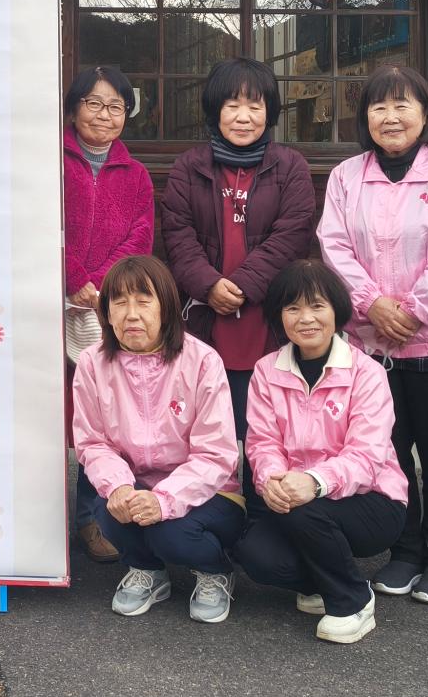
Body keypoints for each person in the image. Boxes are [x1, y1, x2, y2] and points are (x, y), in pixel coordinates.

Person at [317, 65, 428, 608]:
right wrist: (371, 305)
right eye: (378, 108)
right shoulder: (347, 177)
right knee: (387, 453)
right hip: (370, 346)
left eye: (402, 106)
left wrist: (412, 312)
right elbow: (334, 246)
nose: (390, 117)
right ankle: (405, 549)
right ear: (364, 118)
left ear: (425, 114)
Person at [232, 261, 408, 645]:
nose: (305, 318)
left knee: (306, 511)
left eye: (317, 306)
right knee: (254, 552)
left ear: (337, 311)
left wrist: (314, 481)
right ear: (279, 316)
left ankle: (354, 600)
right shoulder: (266, 371)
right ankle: (321, 582)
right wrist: (272, 480)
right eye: (292, 308)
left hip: (372, 501)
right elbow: (262, 442)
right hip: (295, 501)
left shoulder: (367, 373)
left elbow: (368, 454)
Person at [72, 255, 244, 625]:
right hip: (137, 486)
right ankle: (148, 571)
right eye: (119, 302)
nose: (131, 314)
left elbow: (216, 454)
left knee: (172, 531)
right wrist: (119, 486)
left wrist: (164, 499)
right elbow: (92, 443)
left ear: (166, 307)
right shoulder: (92, 362)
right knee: (110, 512)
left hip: (211, 492)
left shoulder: (202, 361)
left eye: (143, 300)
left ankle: (216, 571)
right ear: (107, 313)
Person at [159, 58, 317, 446]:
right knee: (210, 431)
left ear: (270, 112)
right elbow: (178, 236)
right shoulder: (188, 167)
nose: (243, 117)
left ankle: (265, 503)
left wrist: (244, 284)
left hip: (270, 318)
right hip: (206, 318)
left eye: (255, 106)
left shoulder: (290, 166)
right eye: (232, 105)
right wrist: (210, 285)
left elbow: (292, 233)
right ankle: (218, 505)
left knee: (270, 431)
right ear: (216, 111)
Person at [61, 65, 154, 566]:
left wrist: (103, 286)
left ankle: (90, 521)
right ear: (74, 108)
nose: (105, 114)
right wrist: (75, 278)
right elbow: (42, 225)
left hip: (106, 310)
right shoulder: (49, 162)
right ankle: (39, 519)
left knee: (100, 421)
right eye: (94, 103)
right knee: (46, 417)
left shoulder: (135, 173)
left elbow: (141, 235)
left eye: (116, 106)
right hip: (51, 303)